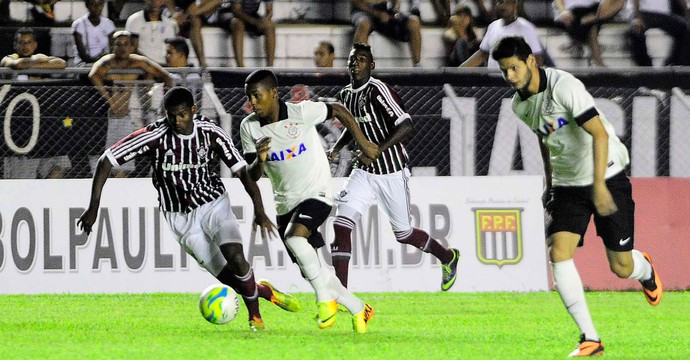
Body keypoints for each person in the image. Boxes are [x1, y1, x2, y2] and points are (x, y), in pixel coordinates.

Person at [491, 36, 663, 357]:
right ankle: (591, 338)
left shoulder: (564, 86)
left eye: (514, 68)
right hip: (568, 184)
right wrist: (549, 182)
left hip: (606, 174)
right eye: (504, 71)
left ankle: (646, 270)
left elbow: (598, 133)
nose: (510, 77)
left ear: (531, 61)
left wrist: (598, 185)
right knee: (558, 251)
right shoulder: (519, 105)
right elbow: (546, 138)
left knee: (621, 267)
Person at [77, 86, 300, 331]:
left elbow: (242, 172)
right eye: (171, 115)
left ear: (193, 110)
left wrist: (259, 210)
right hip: (179, 218)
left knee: (236, 257)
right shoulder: (155, 136)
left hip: (213, 204)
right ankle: (264, 291)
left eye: (182, 114)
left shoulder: (210, 133)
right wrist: (93, 206)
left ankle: (255, 318)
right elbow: (107, 159)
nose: (177, 120)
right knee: (227, 276)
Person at [239, 69, 378, 333]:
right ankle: (360, 308)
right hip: (284, 203)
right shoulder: (249, 127)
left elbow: (338, 109)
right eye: (249, 98)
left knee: (295, 239)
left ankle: (325, 300)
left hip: (317, 191)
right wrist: (260, 158)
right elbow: (253, 175)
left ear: (274, 94)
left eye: (257, 96)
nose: (252, 103)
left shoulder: (301, 112)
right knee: (309, 269)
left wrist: (363, 142)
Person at [326, 43, 460, 291]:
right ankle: (341, 295)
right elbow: (352, 126)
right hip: (364, 172)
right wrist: (336, 148)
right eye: (352, 60)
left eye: (362, 60)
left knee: (404, 234)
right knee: (341, 223)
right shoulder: (346, 95)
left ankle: (448, 257)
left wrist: (377, 149)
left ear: (372, 66)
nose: (356, 64)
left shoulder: (379, 90)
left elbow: (407, 124)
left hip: (391, 171)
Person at [89, 30, 174, 177]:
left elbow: (165, 76)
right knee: (103, 164)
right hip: (107, 116)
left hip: (128, 116)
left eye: (125, 44)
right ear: (112, 46)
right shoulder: (107, 62)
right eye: (118, 44)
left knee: (123, 164)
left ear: (132, 46)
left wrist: (166, 104)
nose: (122, 48)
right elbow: (93, 75)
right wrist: (111, 101)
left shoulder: (138, 62)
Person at [2, 27, 69, 179]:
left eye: (29, 42)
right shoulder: (8, 58)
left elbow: (61, 63)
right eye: (21, 43)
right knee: (22, 178)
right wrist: (39, 63)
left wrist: (33, 63)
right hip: (18, 128)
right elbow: (17, 65)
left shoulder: (38, 57)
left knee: (61, 164)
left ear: (35, 45)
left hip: (42, 125)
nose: (25, 46)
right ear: (15, 45)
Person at [460, 0, 547, 68]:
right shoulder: (493, 26)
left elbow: (537, 59)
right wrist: (458, 71)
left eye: (508, 2)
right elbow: (482, 54)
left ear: (515, 5)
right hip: (493, 85)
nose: (504, 6)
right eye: (500, 2)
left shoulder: (526, 28)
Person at [553, 0, 625, 67]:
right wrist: (563, 10)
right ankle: (599, 64)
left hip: (596, 9)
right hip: (574, 12)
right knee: (592, 29)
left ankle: (594, 17)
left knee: (619, 2)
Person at [350, 0, 422, 67]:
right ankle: (359, 66)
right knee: (364, 24)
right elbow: (355, 3)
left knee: (414, 21)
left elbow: (396, 3)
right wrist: (375, 13)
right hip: (362, 11)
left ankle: (417, 65)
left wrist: (395, 11)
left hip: (384, 11)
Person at [628, 0, 689, 66]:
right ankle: (647, 65)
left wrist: (686, 14)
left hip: (661, 15)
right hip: (645, 13)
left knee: (683, 28)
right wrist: (638, 16)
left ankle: (674, 63)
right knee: (636, 31)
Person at [166, 0, 222, 68]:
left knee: (196, 19)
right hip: (184, 14)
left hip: (205, 11)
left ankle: (202, 63)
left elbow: (218, 1)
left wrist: (196, 10)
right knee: (194, 20)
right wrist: (174, 13)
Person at [222, 0, 276, 67]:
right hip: (230, 12)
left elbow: (269, 11)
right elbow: (236, 10)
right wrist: (253, 22)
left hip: (251, 13)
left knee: (270, 26)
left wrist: (264, 20)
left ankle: (270, 68)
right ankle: (240, 67)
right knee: (238, 24)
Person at [125, 0, 179, 66]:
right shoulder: (134, 20)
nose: (155, 2)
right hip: (141, 67)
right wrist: (151, 65)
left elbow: (171, 48)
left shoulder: (168, 23)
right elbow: (132, 49)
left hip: (165, 67)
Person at [71, 0, 116, 66]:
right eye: (92, 4)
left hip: (104, 63)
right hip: (84, 64)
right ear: (87, 6)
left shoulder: (108, 24)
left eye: (99, 4)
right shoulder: (79, 24)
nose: (96, 7)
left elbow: (113, 48)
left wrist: (105, 59)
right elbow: (83, 55)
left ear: (103, 6)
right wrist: (98, 61)